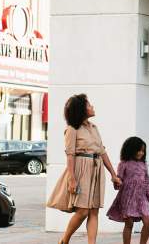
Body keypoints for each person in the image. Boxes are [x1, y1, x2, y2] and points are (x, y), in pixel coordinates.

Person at [47, 94, 122, 244]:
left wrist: (114, 175)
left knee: (94, 211)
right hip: (81, 170)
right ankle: (64, 240)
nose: (92, 107)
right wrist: (72, 179)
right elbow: (70, 155)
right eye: (89, 105)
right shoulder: (72, 129)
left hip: (97, 169)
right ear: (81, 109)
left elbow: (102, 151)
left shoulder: (94, 128)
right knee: (83, 211)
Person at [107, 136, 149, 244]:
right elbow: (118, 180)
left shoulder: (143, 165)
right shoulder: (124, 164)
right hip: (127, 198)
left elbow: (147, 182)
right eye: (139, 150)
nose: (141, 153)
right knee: (129, 224)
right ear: (131, 149)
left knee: (148, 222)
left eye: (143, 151)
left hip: (141, 198)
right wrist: (116, 181)